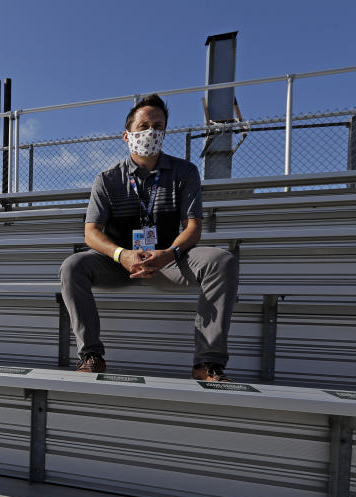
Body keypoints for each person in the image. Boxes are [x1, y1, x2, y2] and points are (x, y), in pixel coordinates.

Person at [59, 94, 238, 381]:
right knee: (72, 266)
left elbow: (193, 227)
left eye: (158, 125)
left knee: (222, 260)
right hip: (120, 264)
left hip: (168, 261)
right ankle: (91, 355)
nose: (150, 132)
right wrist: (122, 255)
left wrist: (169, 253)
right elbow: (91, 233)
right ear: (126, 135)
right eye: (143, 126)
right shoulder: (108, 179)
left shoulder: (184, 172)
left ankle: (207, 364)